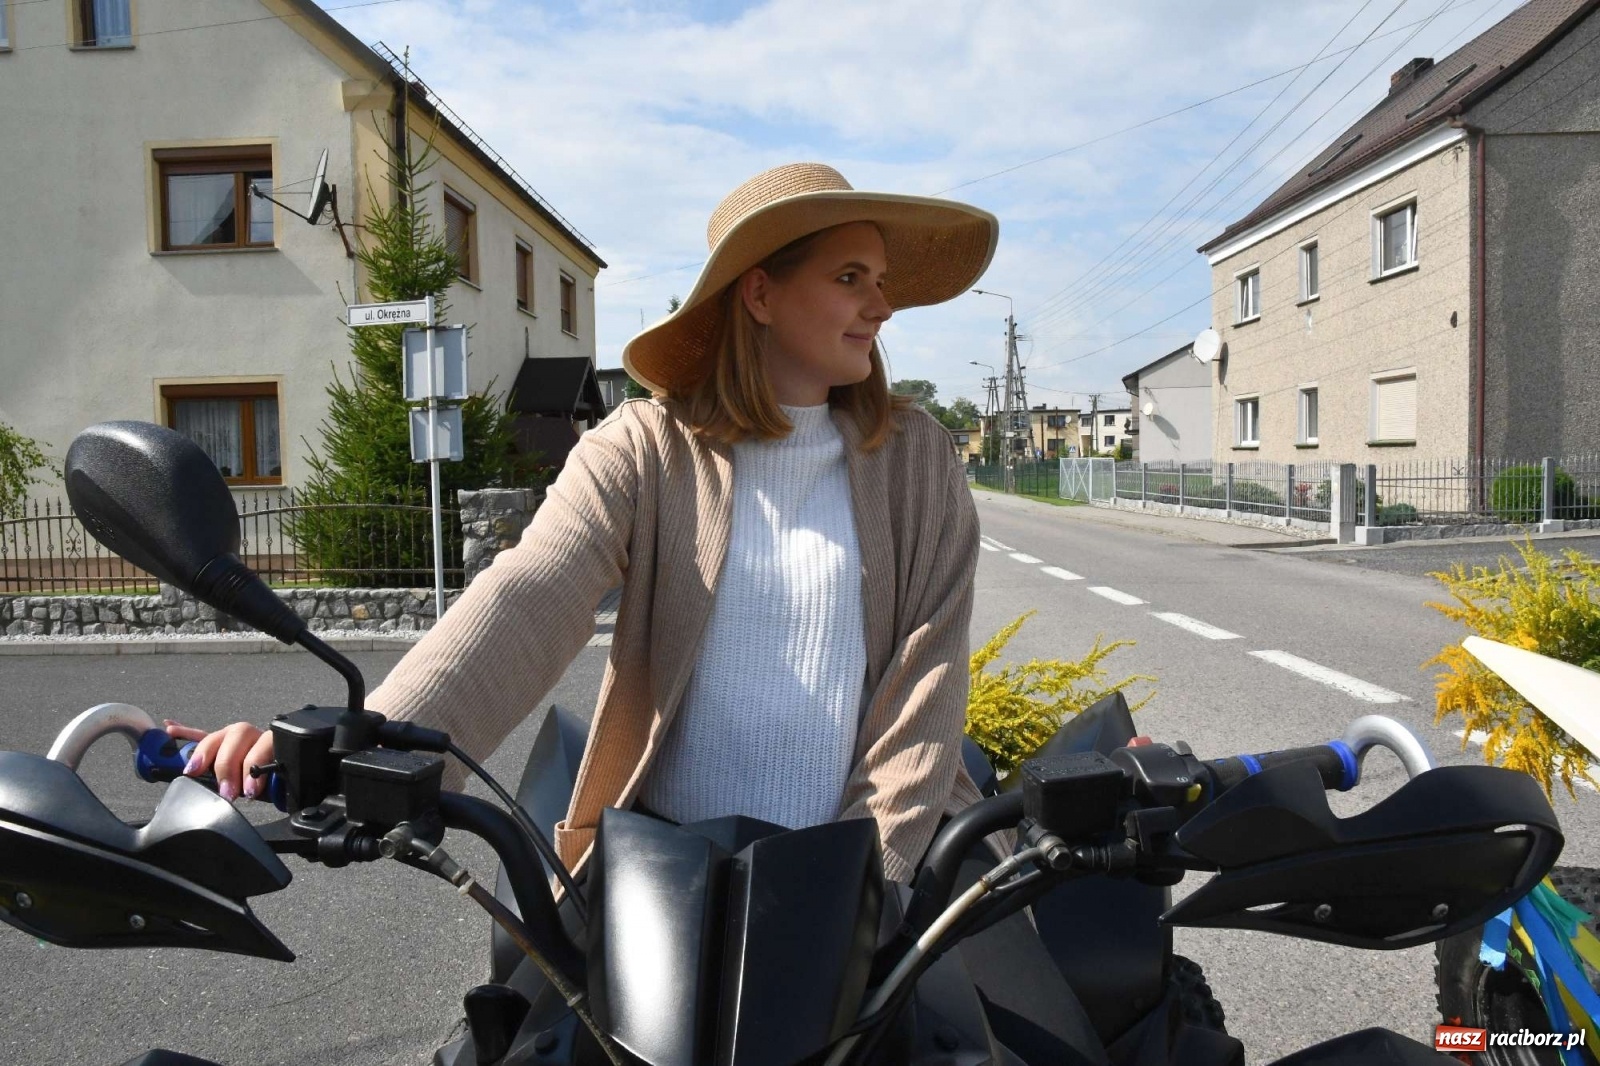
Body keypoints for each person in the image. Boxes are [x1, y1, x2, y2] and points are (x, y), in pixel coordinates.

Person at [166, 161, 999, 885]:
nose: (881, 306)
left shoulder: (916, 459)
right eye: (852, 277)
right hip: (676, 878)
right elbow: (530, 596)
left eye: (881, 282)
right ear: (760, 292)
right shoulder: (645, 446)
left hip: (867, 875)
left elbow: (925, 691)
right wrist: (357, 744)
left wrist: (868, 887)